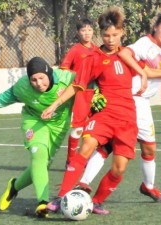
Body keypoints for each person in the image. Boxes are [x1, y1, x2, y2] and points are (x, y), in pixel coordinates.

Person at [77, 12, 161, 203]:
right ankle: (84, 184)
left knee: (147, 149)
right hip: (129, 99)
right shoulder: (144, 44)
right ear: (155, 27)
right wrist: (146, 72)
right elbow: (124, 53)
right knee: (109, 145)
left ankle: (146, 186)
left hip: (141, 103)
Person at [41, 7, 147, 215]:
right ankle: (62, 196)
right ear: (101, 35)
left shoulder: (129, 54)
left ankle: (96, 201)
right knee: (86, 146)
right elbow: (77, 85)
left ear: (122, 33)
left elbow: (148, 70)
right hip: (105, 115)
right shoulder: (94, 58)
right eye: (106, 35)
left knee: (119, 168)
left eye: (115, 35)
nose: (110, 39)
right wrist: (54, 105)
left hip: (127, 118)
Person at [0, 57, 76, 218]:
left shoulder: (66, 79)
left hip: (58, 126)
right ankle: (42, 202)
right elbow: (0, 100)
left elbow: (89, 85)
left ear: (49, 73)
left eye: (42, 78)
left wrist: (97, 97)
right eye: (33, 80)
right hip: (34, 121)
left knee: (41, 165)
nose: (38, 83)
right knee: (38, 153)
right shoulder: (22, 87)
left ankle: (14, 186)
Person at [60, 18, 100, 165]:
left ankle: (86, 157)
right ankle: (70, 160)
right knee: (78, 127)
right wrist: (75, 79)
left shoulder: (97, 50)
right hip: (80, 93)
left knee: (95, 127)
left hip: (95, 92)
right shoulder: (75, 50)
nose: (87, 33)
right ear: (78, 33)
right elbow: (64, 69)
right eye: (83, 30)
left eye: (89, 30)